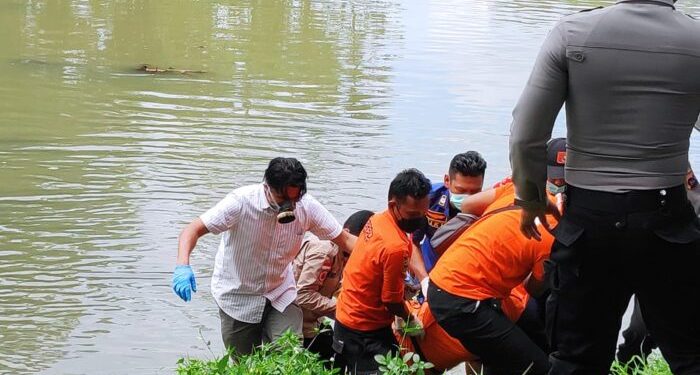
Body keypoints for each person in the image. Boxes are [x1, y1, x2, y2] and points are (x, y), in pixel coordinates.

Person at [509, 1, 700, 373]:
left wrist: (530, 198)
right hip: (668, 222)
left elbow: (525, 136)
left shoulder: (572, 33)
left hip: (588, 225)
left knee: (575, 361)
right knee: (692, 355)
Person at [171, 157, 356, 357]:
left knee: (289, 355)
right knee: (246, 363)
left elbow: (345, 239)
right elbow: (192, 230)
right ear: (267, 187)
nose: (289, 207)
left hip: (280, 292)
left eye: (294, 201)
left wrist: (383, 259)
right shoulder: (241, 202)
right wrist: (183, 265)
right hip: (238, 297)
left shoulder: (306, 207)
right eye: (282, 200)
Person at [427, 139, 567, 375]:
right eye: (557, 181)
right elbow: (534, 288)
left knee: (506, 353)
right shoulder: (553, 230)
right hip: (464, 301)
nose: (558, 186)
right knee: (539, 368)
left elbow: (469, 204)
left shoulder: (518, 188)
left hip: (446, 283)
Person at [333, 168, 432, 374]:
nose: (420, 219)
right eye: (413, 214)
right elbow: (391, 300)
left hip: (346, 315)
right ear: (393, 206)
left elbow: (381, 263)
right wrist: (409, 319)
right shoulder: (393, 246)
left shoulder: (377, 220)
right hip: (362, 329)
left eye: (424, 212)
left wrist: (419, 280)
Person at [292, 210, 374, 361]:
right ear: (346, 234)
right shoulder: (324, 250)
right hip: (297, 327)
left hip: (315, 321)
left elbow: (340, 287)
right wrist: (344, 311)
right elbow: (303, 294)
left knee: (340, 356)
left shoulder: (346, 254)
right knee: (335, 361)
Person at [410, 151, 487, 296]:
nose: (468, 198)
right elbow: (412, 242)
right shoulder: (428, 199)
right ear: (447, 180)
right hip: (430, 267)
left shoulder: (487, 206)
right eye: (461, 190)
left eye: (475, 191)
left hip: (465, 272)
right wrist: (424, 280)